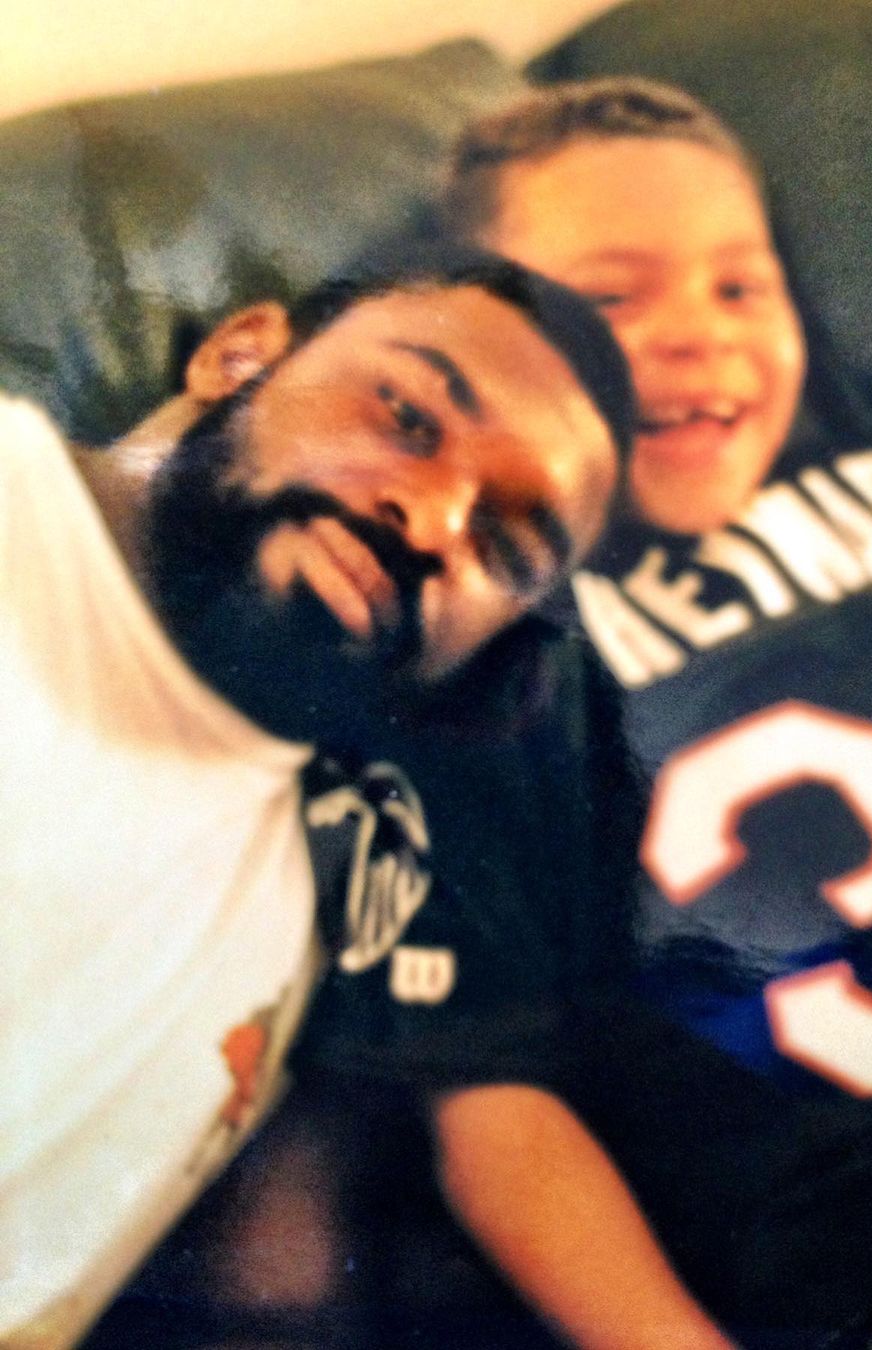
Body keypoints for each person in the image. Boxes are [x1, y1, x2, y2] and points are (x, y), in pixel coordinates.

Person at [441, 78, 872, 1348]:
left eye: (743, 286)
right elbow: (485, 1092)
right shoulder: (496, 637)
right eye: (612, 298)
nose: (700, 332)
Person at [0, 242, 636, 1350]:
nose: (434, 521)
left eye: (503, 544)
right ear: (239, 355)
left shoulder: (319, 896)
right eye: (409, 417)